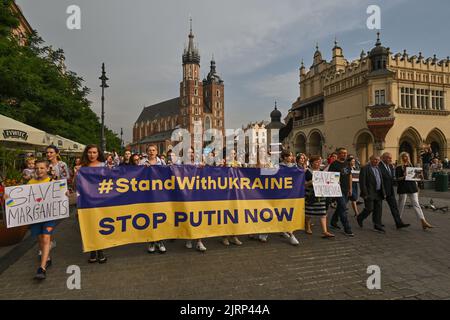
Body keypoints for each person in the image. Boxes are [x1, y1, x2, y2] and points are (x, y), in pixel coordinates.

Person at [26, 160, 58, 280]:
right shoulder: (30, 182)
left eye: (42, 168)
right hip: (35, 216)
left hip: (49, 216)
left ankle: (42, 268)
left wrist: (64, 194)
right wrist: (9, 197)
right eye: (37, 168)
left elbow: (60, 196)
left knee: (46, 238)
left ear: (47, 169)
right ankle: (47, 258)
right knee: (40, 239)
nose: (39, 170)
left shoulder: (52, 182)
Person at [79, 144, 108, 263]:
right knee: (89, 226)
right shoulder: (82, 167)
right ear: (86, 153)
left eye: (94, 152)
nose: (92, 155)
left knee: (100, 225)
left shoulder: (103, 165)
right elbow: (77, 186)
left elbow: (109, 180)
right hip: (86, 200)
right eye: (90, 152)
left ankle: (100, 251)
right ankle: (92, 251)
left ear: (98, 153)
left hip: (100, 200)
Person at [396, 152, 433, 230]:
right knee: (401, 205)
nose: (406, 158)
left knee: (416, 204)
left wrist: (420, 176)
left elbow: (415, 178)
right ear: (401, 158)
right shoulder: (398, 167)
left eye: (407, 156)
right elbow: (397, 179)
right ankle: (398, 221)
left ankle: (423, 221)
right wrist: (404, 176)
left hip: (412, 187)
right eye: (404, 156)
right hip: (403, 188)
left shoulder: (411, 166)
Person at [140, 144, 167, 253]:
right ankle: (151, 241)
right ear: (147, 152)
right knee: (150, 218)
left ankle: (160, 241)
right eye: (149, 150)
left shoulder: (162, 162)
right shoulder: (142, 162)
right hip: (147, 194)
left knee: (159, 218)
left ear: (156, 151)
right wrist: (143, 169)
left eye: (153, 150)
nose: (151, 152)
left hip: (160, 194)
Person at [183, 147, 208, 252]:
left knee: (199, 217)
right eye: (188, 152)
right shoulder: (182, 163)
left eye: (192, 152)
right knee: (188, 216)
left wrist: (204, 166)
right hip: (186, 193)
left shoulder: (199, 163)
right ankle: (189, 238)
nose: (191, 154)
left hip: (198, 193)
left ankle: (199, 241)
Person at [304, 155, 335, 238]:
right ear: (311, 163)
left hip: (320, 195)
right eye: (316, 162)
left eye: (319, 162)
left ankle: (325, 231)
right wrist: (311, 182)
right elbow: (304, 185)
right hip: (310, 196)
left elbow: (328, 182)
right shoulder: (307, 172)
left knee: (323, 213)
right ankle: (307, 226)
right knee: (308, 213)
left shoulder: (322, 171)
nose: (318, 163)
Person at [378, 153, 410, 230]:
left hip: (390, 190)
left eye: (391, 158)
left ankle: (399, 223)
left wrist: (403, 178)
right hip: (380, 190)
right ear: (383, 158)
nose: (390, 160)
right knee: (378, 208)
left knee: (394, 207)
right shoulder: (379, 166)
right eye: (389, 158)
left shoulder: (390, 166)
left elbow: (392, 178)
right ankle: (376, 222)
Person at [328, 148, 354, 237]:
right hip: (338, 190)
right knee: (343, 208)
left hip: (346, 189)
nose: (344, 154)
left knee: (340, 207)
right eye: (342, 153)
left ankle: (333, 222)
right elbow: (330, 177)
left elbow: (350, 175)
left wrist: (350, 188)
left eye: (345, 153)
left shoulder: (347, 163)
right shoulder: (334, 164)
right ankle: (347, 229)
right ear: (338, 154)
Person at [356, 155, 386, 233]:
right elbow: (362, 182)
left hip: (379, 192)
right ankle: (360, 217)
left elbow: (381, 181)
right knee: (369, 208)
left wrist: (384, 192)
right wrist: (365, 193)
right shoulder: (365, 168)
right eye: (375, 159)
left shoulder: (378, 168)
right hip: (369, 192)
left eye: (378, 160)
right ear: (370, 159)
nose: (377, 161)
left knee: (378, 210)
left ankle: (377, 225)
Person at [221, 150, 243, 246]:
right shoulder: (223, 162)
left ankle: (234, 236)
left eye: (234, 153)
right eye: (231, 153)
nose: (232, 155)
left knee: (235, 214)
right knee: (226, 215)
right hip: (225, 192)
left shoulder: (237, 163)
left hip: (236, 192)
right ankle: (225, 237)